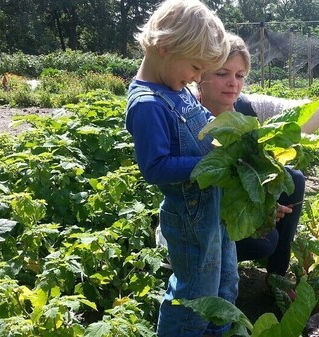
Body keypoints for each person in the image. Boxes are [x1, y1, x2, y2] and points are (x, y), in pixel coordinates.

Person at [123, 1, 237, 336]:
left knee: (225, 282)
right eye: (195, 67)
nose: (197, 78)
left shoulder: (178, 89)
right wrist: (211, 163)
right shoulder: (147, 104)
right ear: (165, 47)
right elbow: (155, 167)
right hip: (189, 219)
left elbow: (203, 130)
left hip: (214, 210)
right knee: (194, 295)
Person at [197, 33, 319, 282]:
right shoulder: (190, 115)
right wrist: (261, 207)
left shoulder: (249, 107)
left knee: (295, 179)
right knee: (264, 243)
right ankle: (212, 272)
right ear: (200, 75)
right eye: (222, 73)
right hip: (203, 215)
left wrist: (272, 147)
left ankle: (277, 279)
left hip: (239, 201)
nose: (233, 83)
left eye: (239, 75)